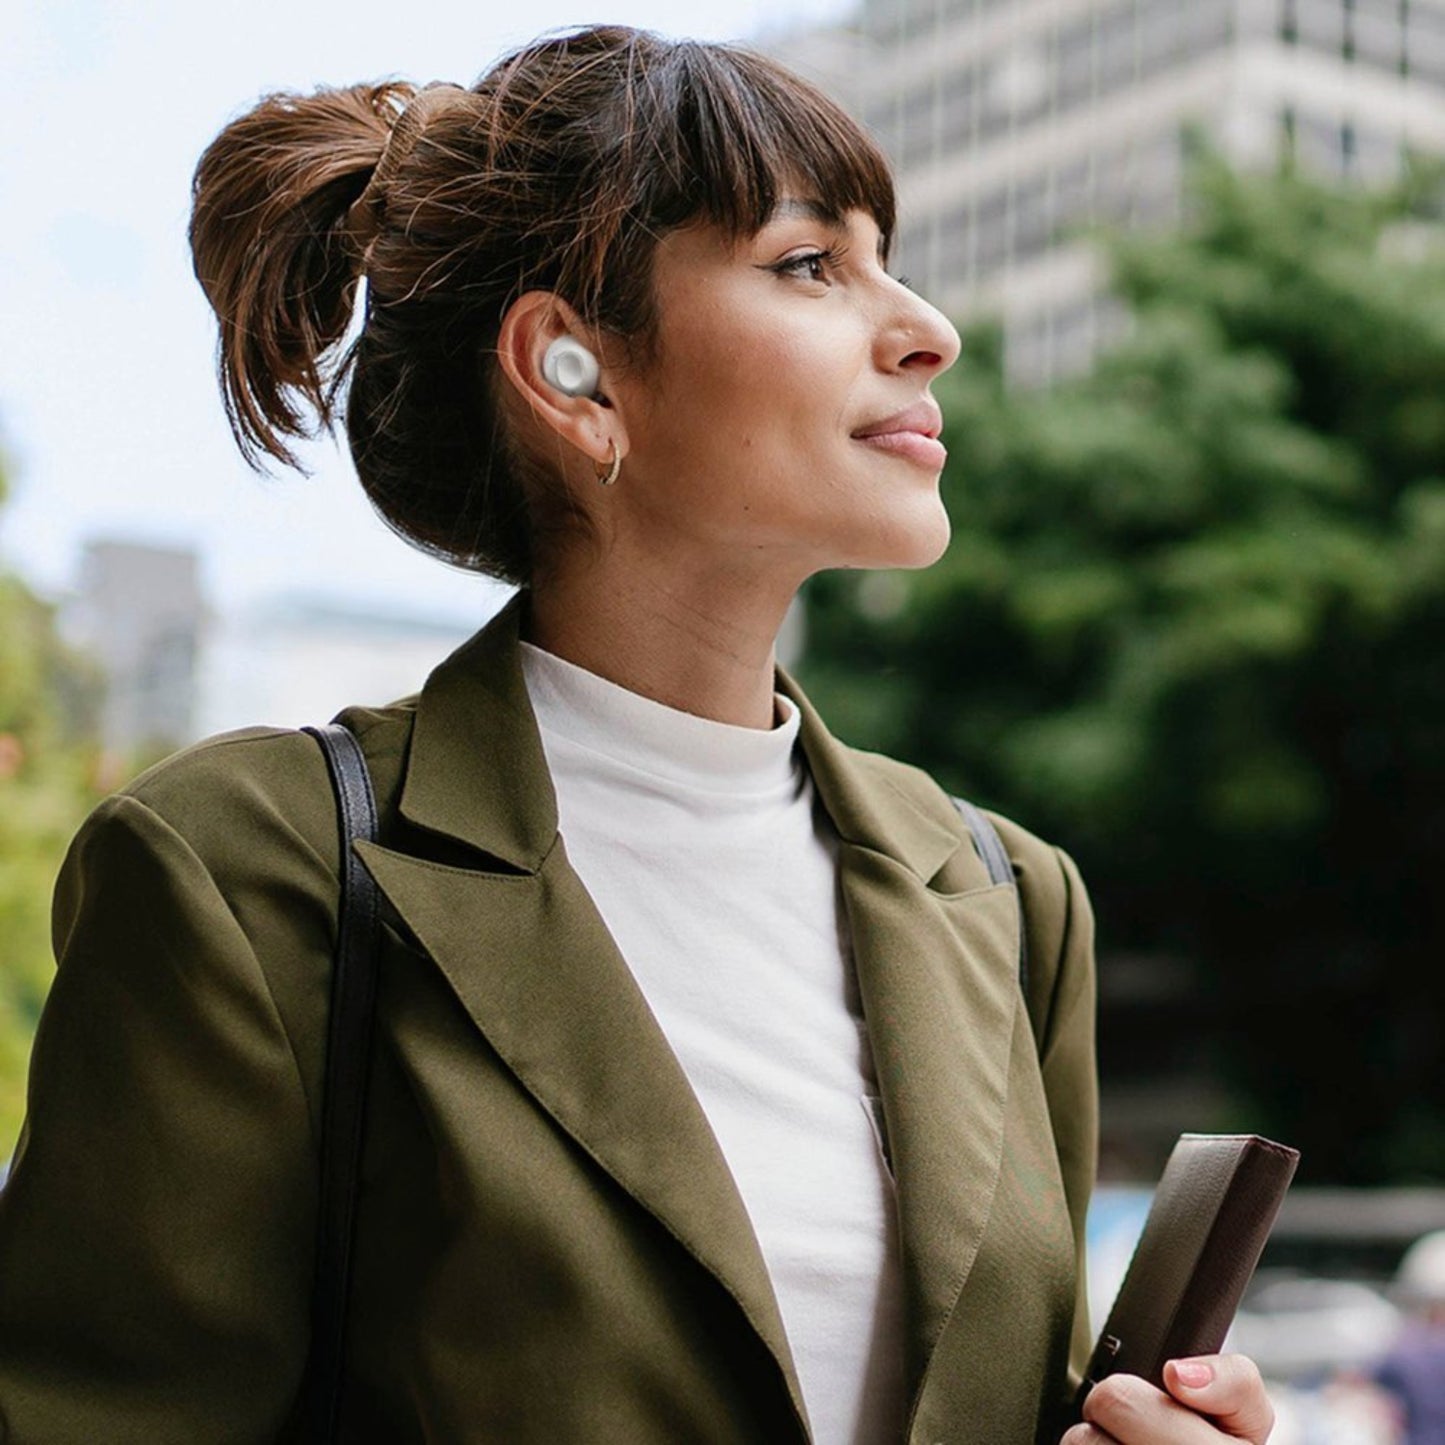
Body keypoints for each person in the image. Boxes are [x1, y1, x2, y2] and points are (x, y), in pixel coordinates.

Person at [0, 24, 1274, 1445]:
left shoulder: (1006, 893)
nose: (928, 327)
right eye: (809, 264)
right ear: (570, 370)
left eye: (884, 254)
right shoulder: (249, 873)